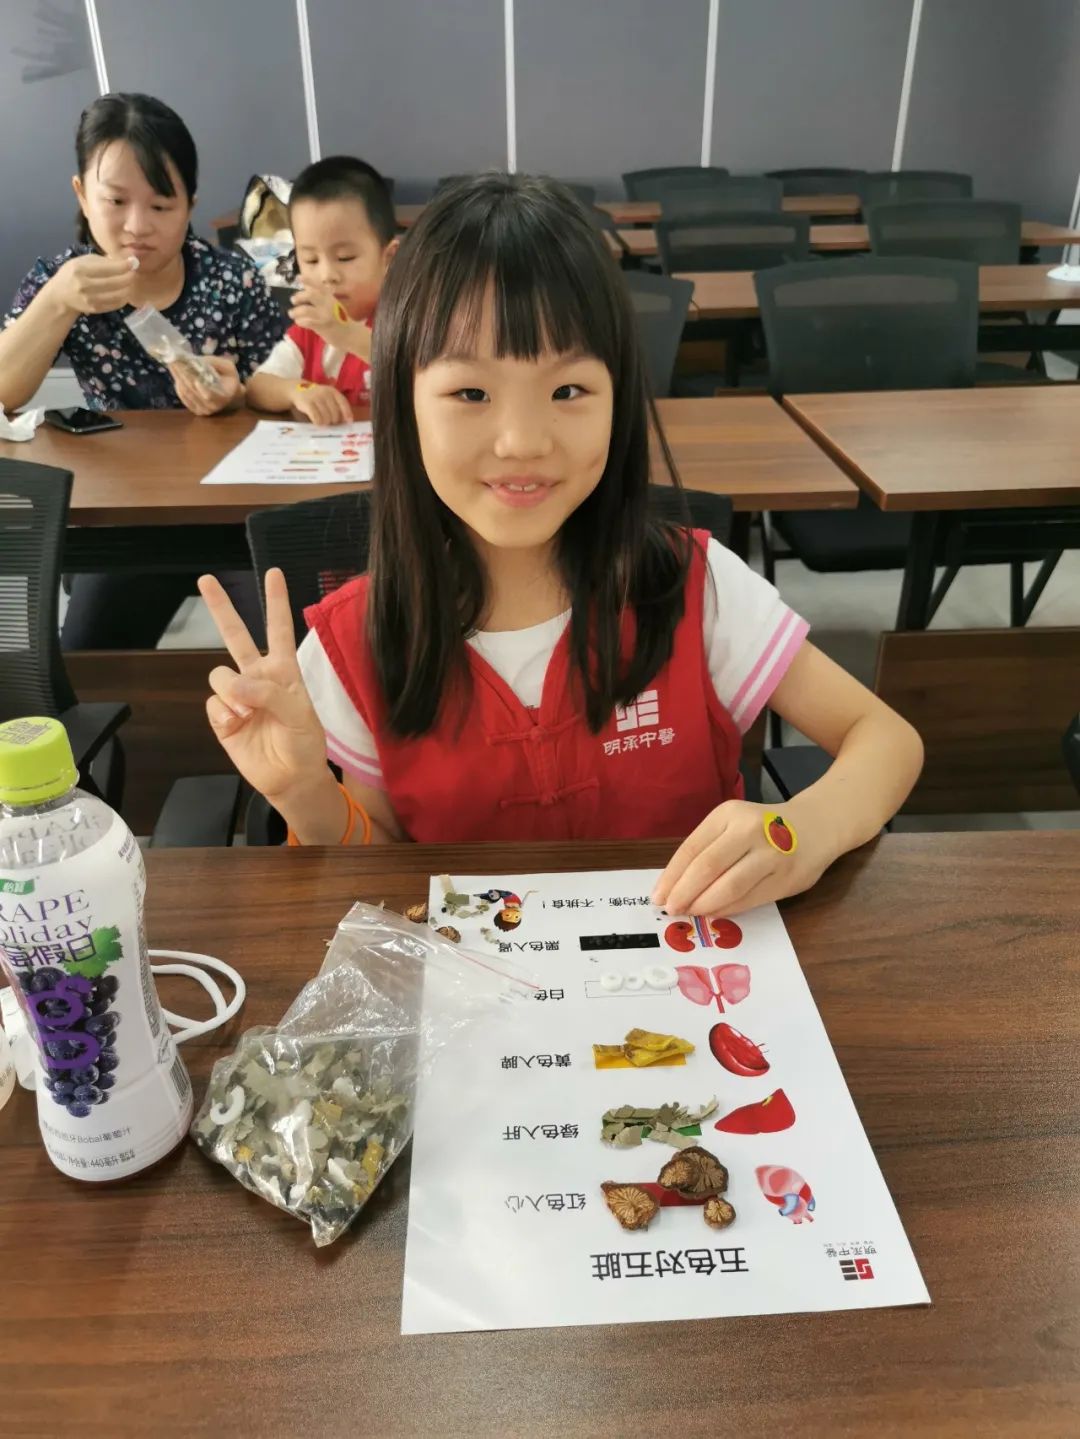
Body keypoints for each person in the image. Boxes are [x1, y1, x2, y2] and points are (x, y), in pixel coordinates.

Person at [197, 175, 923, 918]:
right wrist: (304, 792)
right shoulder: (360, 638)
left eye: (568, 391)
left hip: (687, 974)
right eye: (470, 394)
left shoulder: (694, 585)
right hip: (476, 983)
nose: (522, 441)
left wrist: (797, 830)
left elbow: (886, 738)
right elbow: (380, 869)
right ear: (402, 405)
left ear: (619, 399)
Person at [0, 92, 285, 647]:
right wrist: (56, 303)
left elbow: (282, 384)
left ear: (190, 205)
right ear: (82, 195)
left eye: (161, 205)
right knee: (84, 661)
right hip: (126, 516)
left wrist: (236, 394)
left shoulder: (232, 280)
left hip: (237, 515)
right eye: (115, 200)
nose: (137, 226)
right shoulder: (62, 280)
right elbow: (5, 394)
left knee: (289, 654)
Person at [246, 156, 397, 424]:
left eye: (345, 257)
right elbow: (257, 388)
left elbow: (418, 371)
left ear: (388, 259)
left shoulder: (403, 320)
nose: (327, 276)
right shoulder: (309, 329)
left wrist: (347, 334)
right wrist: (296, 390)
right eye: (311, 260)